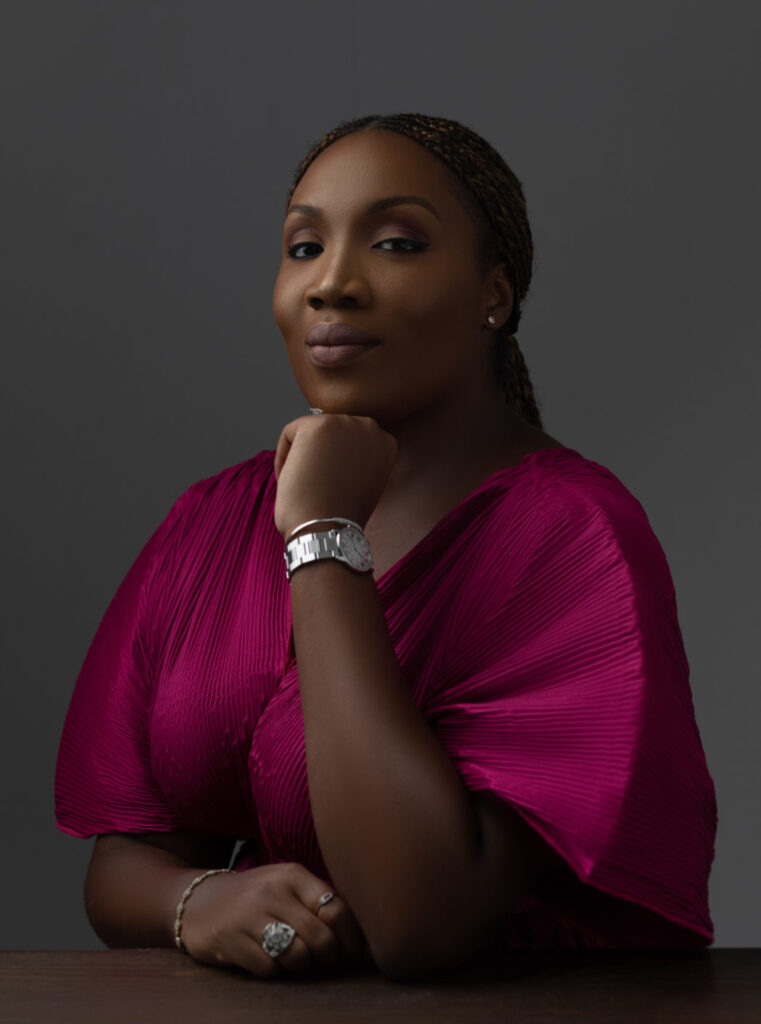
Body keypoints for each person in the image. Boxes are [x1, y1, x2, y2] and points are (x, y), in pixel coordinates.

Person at [55, 112, 717, 982]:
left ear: (493, 294)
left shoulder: (571, 537)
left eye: (396, 244)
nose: (331, 284)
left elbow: (418, 922)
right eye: (303, 248)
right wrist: (197, 901)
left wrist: (322, 536)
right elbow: (125, 860)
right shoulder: (211, 520)